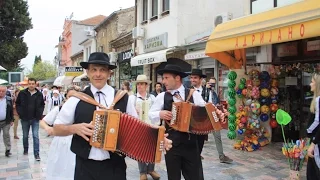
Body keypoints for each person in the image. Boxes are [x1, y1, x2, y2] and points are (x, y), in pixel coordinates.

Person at [52, 52, 172, 180]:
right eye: (94, 70)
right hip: (85, 167)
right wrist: (74, 128)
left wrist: (157, 139)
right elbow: (56, 128)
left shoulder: (123, 98)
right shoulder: (76, 99)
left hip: (115, 167)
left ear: (109, 73)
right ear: (87, 72)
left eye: (102, 70)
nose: (98, 74)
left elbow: (137, 129)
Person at [149, 63, 206, 180]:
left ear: (177, 78)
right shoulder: (162, 96)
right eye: (163, 78)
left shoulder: (193, 94)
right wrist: (160, 113)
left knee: (195, 176)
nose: (163, 81)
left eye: (166, 78)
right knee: (173, 176)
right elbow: (151, 114)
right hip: (171, 144)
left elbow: (205, 112)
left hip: (191, 144)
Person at [40, 86, 79, 180]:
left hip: (76, 142)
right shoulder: (60, 109)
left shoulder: (81, 110)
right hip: (60, 142)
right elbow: (43, 121)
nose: (72, 99)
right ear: (66, 97)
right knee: (59, 165)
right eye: (70, 96)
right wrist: (48, 128)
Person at [129, 75, 159, 180]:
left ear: (146, 86)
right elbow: (128, 114)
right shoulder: (132, 98)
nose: (139, 86)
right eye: (138, 84)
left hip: (151, 126)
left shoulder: (152, 98)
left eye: (142, 84)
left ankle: (151, 169)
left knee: (152, 148)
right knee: (140, 149)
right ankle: (142, 172)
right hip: (139, 127)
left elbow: (156, 111)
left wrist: (157, 125)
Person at [203, 76, 233, 164]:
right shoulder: (203, 91)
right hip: (203, 116)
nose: (212, 85)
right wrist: (206, 89)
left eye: (214, 84)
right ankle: (196, 154)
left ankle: (221, 156)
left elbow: (217, 103)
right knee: (198, 137)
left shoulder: (215, 94)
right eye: (210, 83)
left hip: (213, 115)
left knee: (217, 135)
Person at [16, 78, 45, 161]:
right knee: (25, 136)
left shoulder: (39, 94)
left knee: (35, 136)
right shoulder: (22, 93)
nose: (31, 85)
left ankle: (36, 153)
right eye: (30, 83)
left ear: (36, 84)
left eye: (33, 83)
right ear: (28, 84)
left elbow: (42, 105)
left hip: (35, 118)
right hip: (25, 118)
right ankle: (25, 149)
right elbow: (18, 104)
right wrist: (20, 113)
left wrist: (39, 114)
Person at [189, 69, 209, 160]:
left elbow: (210, 105)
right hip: (190, 123)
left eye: (195, 78)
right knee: (191, 144)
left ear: (200, 79)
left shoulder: (208, 91)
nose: (193, 80)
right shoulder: (187, 91)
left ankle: (197, 157)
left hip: (203, 123)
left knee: (200, 143)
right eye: (192, 78)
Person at [307, 73, 320, 180]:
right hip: (314, 140)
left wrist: (313, 142)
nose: (310, 84)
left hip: (317, 141)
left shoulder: (319, 100)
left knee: (315, 171)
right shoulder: (315, 100)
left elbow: (318, 122)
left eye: (312, 81)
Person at [0, 85, 14, 157]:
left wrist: (12, 120)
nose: (1, 92)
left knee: (6, 135)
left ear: (6, 92)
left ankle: (8, 150)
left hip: (6, 121)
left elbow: (11, 110)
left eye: (3, 91)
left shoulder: (8, 99)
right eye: (0, 91)